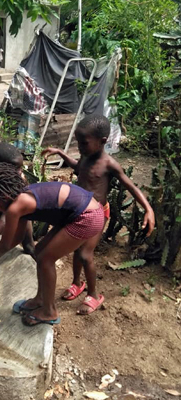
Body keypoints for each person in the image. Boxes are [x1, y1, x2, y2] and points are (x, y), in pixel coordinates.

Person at [42, 114, 155, 314]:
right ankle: (77, 283)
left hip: (97, 214)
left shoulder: (108, 164)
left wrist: (148, 208)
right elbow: (79, 169)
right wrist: (61, 152)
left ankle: (94, 295)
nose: (80, 147)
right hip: (78, 211)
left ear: (102, 142)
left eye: (83, 143)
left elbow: (130, 187)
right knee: (76, 250)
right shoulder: (86, 156)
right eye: (78, 142)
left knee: (85, 255)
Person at [0, 162, 105, 326]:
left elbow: (5, 244)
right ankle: (41, 299)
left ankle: (49, 311)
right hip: (79, 213)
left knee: (45, 259)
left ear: (1, 196)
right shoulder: (20, 199)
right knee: (39, 251)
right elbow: (15, 239)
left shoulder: (16, 207)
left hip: (87, 217)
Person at [0, 142, 35, 257]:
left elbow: (8, 215)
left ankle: (32, 251)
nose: (20, 172)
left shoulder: (19, 182)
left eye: (21, 167)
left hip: (16, 213)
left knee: (28, 242)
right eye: (16, 168)